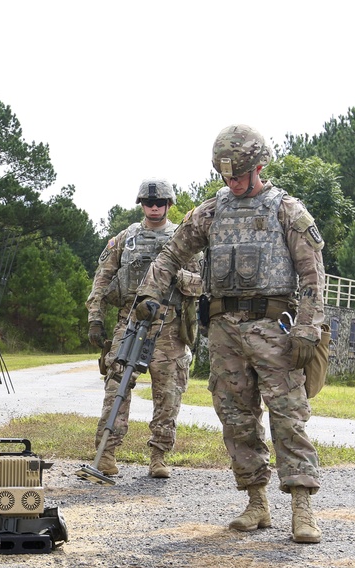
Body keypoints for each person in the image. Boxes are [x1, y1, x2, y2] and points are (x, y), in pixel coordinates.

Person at [135, 125, 326, 543]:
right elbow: (172, 251)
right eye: (226, 175)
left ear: (259, 166)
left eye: (239, 174)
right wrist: (150, 290)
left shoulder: (285, 210)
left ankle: (302, 507)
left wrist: (309, 327)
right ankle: (256, 502)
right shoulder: (211, 211)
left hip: (275, 329)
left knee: (288, 415)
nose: (232, 182)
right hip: (223, 330)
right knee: (236, 418)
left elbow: (312, 273)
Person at [86, 178, 202, 479]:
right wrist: (95, 318)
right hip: (130, 320)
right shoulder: (126, 239)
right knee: (116, 386)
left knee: (168, 393)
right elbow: (102, 279)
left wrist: (174, 276)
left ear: (169, 205)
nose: (154, 207)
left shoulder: (183, 239)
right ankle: (107, 453)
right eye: (149, 203)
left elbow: (203, 283)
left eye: (160, 203)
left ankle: (159, 456)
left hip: (169, 324)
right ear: (141, 204)